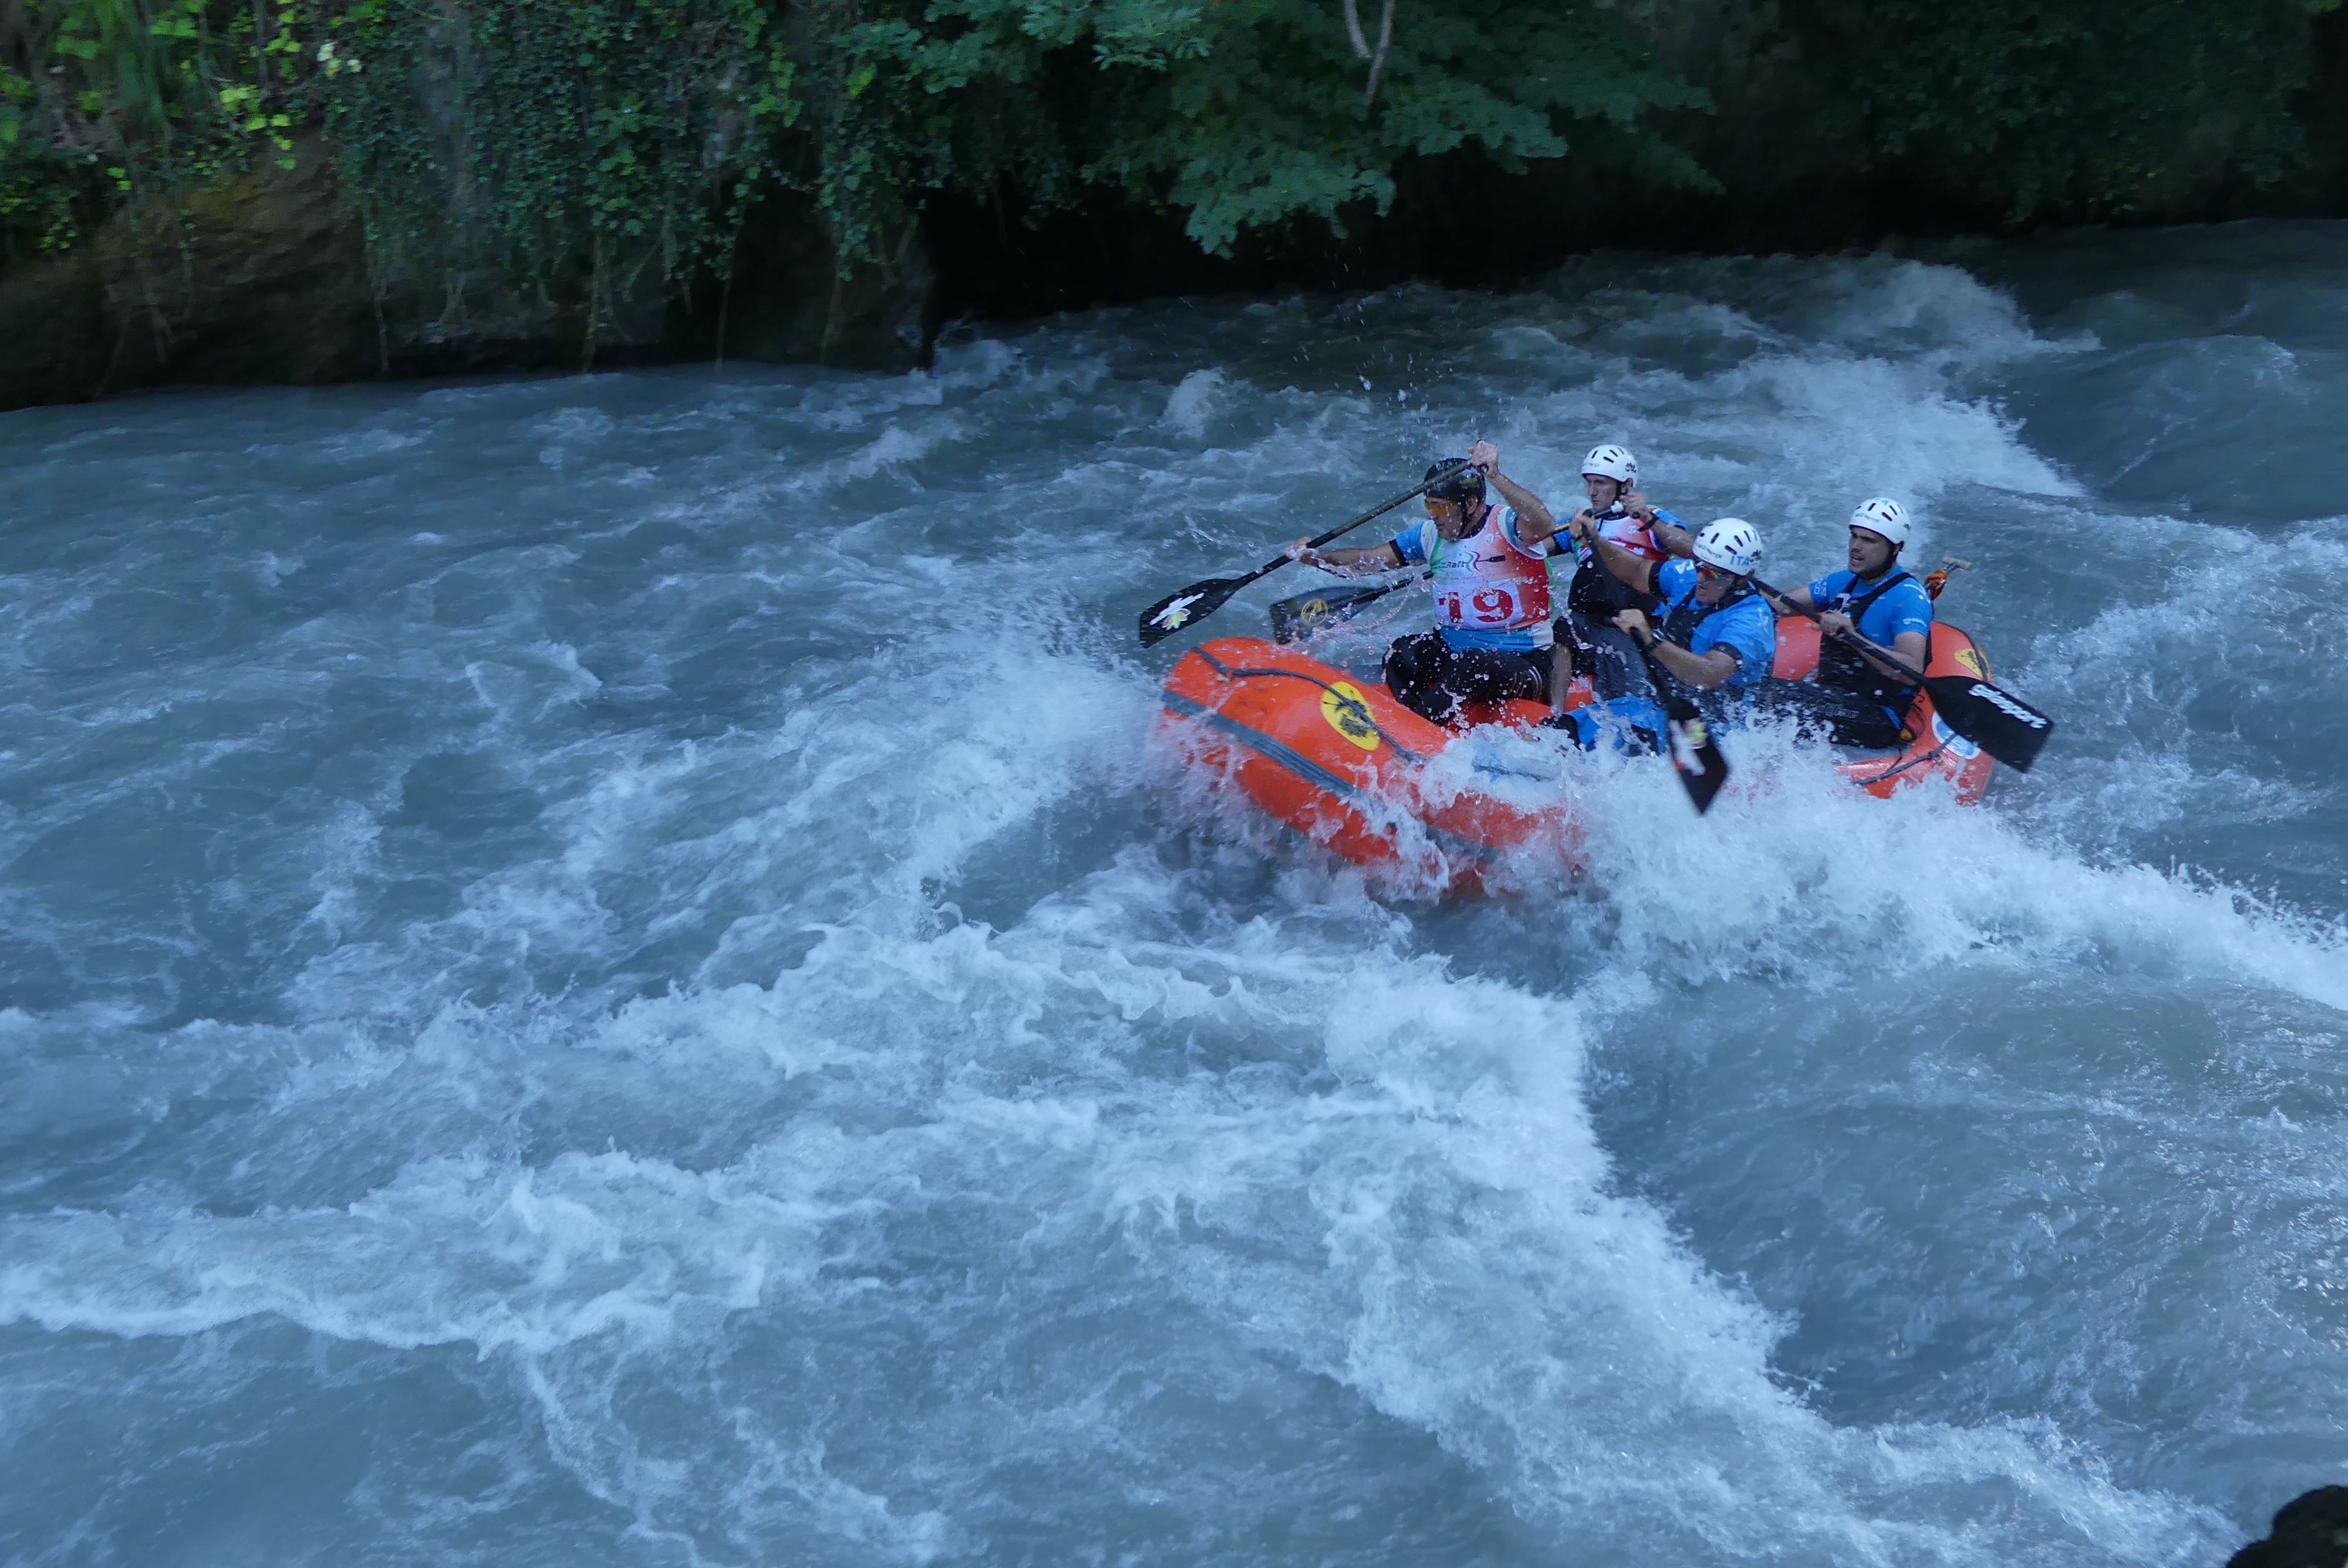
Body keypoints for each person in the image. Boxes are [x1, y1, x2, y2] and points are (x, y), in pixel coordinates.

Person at [1285, 441, 1571, 725]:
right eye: (1428, 504)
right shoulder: (1430, 535)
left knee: (1472, 664)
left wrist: (1494, 474)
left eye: (1439, 506)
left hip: (1524, 663)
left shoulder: (1509, 526)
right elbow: (1368, 560)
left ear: (1470, 504)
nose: (1431, 515)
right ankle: (1422, 726)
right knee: (1403, 652)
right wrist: (1316, 557)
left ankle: (1417, 728)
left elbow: (1544, 523)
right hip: (1455, 654)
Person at [1551, 516, 1776, 754]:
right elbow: (1637, 570)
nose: (1700, 577)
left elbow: (1711, 673)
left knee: (1624, 734)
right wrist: (1596, 541)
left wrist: (1652, 640)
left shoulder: (1751, 620)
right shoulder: (1690, 575)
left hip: (1716, 728)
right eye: (1699, 565)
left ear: (1742, 578)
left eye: (1713, 573)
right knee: (1565, 731)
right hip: (1663, 707)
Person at [1747, 498, 1933, 749]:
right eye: (1854, 536)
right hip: (1832, 696)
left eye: (1868, 540)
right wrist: (1735, 585)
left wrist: (1852, 637)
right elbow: (1779, 605)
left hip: (1876, 716)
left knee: (1766, 697)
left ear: (1896, 548)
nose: (1856, 547)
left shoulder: (1909, 598)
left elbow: (1912, 671)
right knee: (1747, 684)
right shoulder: (1845, 581)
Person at [1549, 445, 1695, 711]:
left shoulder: (1653, 517)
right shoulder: (1582, 521)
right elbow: (1535, 545)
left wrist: (1649, 519)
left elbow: (1693, 551)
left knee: (1630, 703)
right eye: (1590, 483)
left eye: (1601, 484)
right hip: (1586, 622)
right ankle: (1555, 713)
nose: (1592, 492)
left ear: (1625, 485)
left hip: (1629, 626)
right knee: (1563, 629)